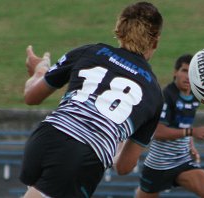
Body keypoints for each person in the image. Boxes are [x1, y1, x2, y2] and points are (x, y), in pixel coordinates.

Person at [20, 2, 163, 198]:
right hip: (81, 156)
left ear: (119, 30)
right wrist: (115, 142)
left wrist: (40, 69)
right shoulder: (154, 94)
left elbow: (31, 96)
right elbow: (124, 167)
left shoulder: (90, 51)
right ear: (155, 41)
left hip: (44, 137)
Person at [136, 54, 204, 198]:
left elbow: (184, 123)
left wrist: (190, 144)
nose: (188, 77)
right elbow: (158, 132)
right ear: (175, 72)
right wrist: (192, 132)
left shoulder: (195, 95)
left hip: (182, 161)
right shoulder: (166, 96)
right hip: (158, 166)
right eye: (184, 71)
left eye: (192, 73)